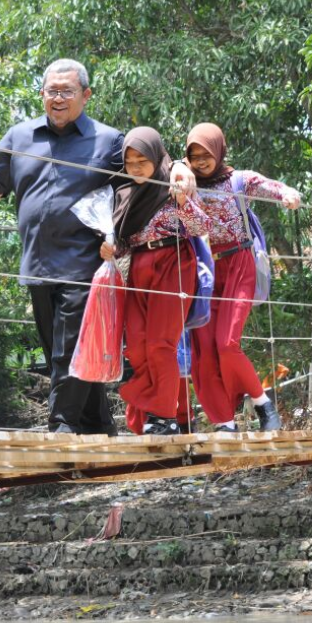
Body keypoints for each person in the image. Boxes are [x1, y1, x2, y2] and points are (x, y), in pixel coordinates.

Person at [0, 59, 195, 434]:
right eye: (51, 91)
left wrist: (182, 167)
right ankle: (98, 427)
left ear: (85, 96)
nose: (58, 98)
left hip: (85, 264)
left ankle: (62, 425)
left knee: (69, 348)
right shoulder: (20, 137)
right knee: (59, 346)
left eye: (67, 91)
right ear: (42, 94)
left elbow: (149, 163)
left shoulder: (107, 141)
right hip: (37, 264)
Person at [182, 122, 300, 432]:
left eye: (205, 153)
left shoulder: (238, 180)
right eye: (194, 155)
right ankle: (224, 422)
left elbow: (269, 186)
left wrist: (287, 192)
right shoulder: (186, 183)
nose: (201, 161)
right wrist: (181, 186)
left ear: (218, 151)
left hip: (239, 264)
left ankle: (263, 405)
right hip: (208, 271)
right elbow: (191, 224)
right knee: (203, 350)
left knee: (227, 343)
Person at [100, 127, 210, 435]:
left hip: (173, 264)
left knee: (161, 344)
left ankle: (165, 417)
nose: (135, 167)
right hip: (138, 268)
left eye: (142, 160)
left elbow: (202, 226)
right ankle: (151, 411)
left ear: (156, 157)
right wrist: (112, 248)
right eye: (130, 161)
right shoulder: (124, 193)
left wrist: (183, 201)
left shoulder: (173, 183)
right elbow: (125, 242)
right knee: (135, 345)